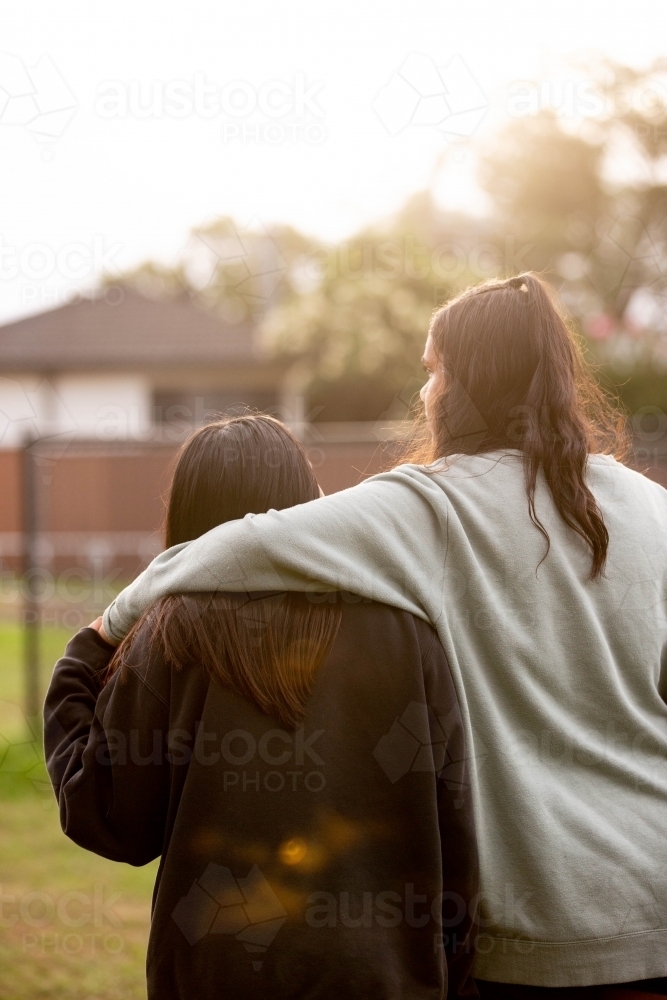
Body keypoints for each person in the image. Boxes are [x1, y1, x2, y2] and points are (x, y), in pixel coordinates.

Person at [100, 274, 667, 995]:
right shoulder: (651, 507)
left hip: (532, 939)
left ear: (464, 382)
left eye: (431, 371)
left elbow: (237, 544)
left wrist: (111, 621)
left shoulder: (421, 507)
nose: (425, 393)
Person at [44, 414, 479, 1000]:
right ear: (304, 504)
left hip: (214, 977)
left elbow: (110, 817)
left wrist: (86, 654)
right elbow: (454, 823)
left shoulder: (170, 639)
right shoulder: (407, 632)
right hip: (382, 976)